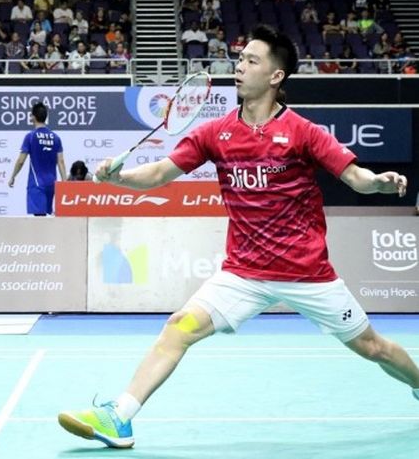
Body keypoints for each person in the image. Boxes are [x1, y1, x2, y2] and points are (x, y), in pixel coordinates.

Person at [58, 25, 417, 448]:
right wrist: (119, 178)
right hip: (244, 273)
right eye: (239, 59)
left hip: (307, 273)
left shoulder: (304, 132)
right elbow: (158, 174)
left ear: (276, 76)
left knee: (373, 347)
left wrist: (379, 181)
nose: (240, 67)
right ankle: (120, 417)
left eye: (251, 60)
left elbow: (356, 177)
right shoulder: (216, 133)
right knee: (179, 328)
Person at [8, 102, 67, 216]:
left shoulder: (30, 136)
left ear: (33, 117)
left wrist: (13, 176)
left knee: (39, 220)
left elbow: (21, 161)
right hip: (52, 184)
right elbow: (61, 161)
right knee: (47, 217)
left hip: (37, 183)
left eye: (31, 115)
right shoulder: (55, 137)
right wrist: (64, 183)